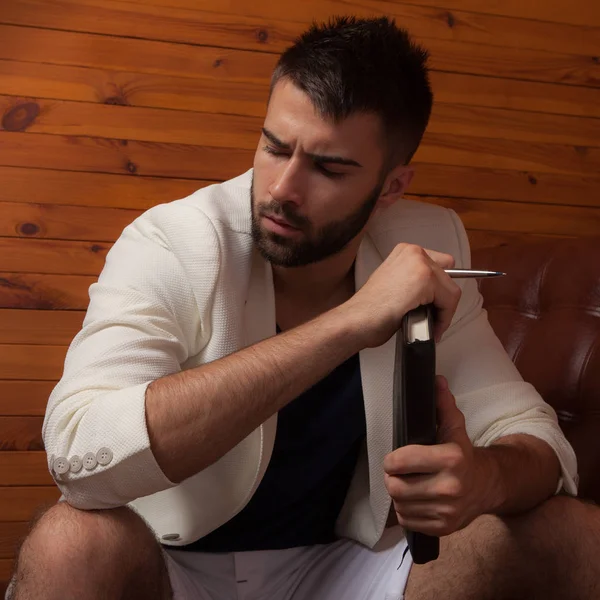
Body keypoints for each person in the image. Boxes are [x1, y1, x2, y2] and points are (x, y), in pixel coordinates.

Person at [8, 16, 599, 600]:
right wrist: (349, 322)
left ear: (391, 187)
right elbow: (79, 453)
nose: (282, 190)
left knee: (572, 534)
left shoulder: (422, 240)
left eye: (329, 167)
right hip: (176, 567)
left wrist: (481, 482)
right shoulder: (174, 241)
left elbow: (532, 435)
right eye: (275, 147)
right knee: (70, 543)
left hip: (344, 569)